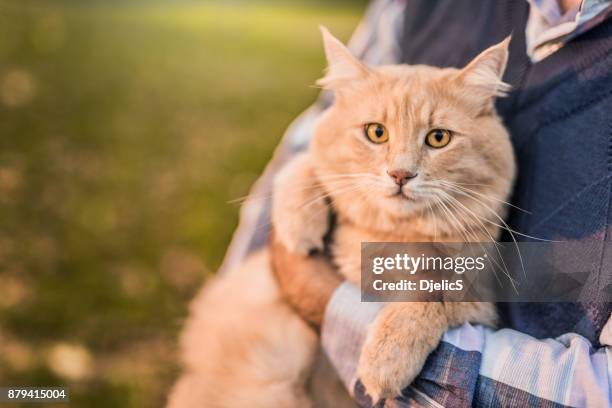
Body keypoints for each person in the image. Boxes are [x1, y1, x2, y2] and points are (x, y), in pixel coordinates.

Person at [221, 0, 612, 406]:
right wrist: (301, 179)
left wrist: (419, 310)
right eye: (377, 132)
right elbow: (315, 136)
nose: (401, 168)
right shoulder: (410, 7)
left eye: (437, 138)